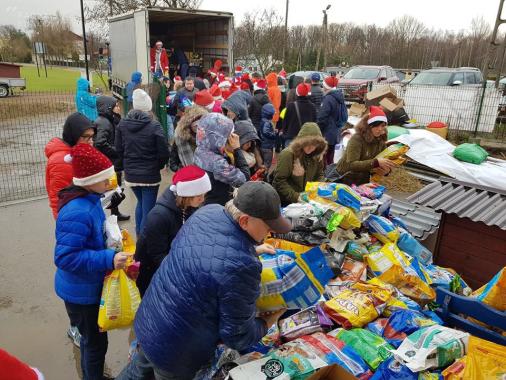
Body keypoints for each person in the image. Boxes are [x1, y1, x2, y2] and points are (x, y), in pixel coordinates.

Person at [116, 181, 291, 380]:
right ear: (244, 221)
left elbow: (206, 253)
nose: (269, 233)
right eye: (268, 226)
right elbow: (237, 336)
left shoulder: (209, 212)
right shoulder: (243, 265)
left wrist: (250, 249)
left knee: (136, 372)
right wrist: (269, 320)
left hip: (151, 321)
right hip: (177, 352)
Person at [54, 143, 130, 380]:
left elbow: (88, 239)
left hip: (87, 286)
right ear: (88, 180)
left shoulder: (91, 200)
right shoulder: (79, 211)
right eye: (106, 179)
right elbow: (65, 257)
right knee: (95, 344)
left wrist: (111, 238)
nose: (111, 183)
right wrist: (108, 257)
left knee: (94, 341)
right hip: (82, 293)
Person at [135, 165, 211, 296]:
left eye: (204, 194)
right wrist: (182, 273)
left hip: (172, 264)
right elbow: (157, 255)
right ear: (186, 194)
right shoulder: (159, 216)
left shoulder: (188, 206)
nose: (202, 199)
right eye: (198, 195)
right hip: (153, 275)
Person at [115, 89, 169, 235]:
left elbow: (118, 149)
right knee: (149, 208)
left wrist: (124, 166)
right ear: (148, 107)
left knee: (141, 203)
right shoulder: (155, 126)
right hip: (150, 174)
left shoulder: (122, 124)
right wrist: (159, 165)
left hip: (131, 174)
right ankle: (145, 240)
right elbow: (163, 151)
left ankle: (139, 233)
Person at [193, 113, 250, 206]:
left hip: (207, 202)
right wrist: (237, 149)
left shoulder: (201, 149)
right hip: (218, 205)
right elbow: (244, 178)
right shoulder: (217, 163)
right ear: (217, 137)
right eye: (228, 135)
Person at [336, 106, 396, 186]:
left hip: (363, 177)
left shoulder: (380, 141)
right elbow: (351, 164)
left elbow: (382, 162)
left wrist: (386, 171)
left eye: (382, 126)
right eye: (376, 126)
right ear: (369, 126)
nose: (380, 129)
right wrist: (376, 162)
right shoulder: (357, 139)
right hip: (345, 176)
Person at [272, 122, 327, 206]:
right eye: (307, 143)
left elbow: (319, 174)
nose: (311, 148)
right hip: (286, 202)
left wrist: (318, 188)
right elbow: (279, 181)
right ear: (301, 142)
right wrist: (296, 197)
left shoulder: (317, 156)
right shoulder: (288, 155)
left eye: (315, 144)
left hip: (307, 201)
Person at [94, 96, 130, 221]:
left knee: (115, 189)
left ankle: (115, 213)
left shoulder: (110, 120)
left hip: (113, 162)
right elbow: (100, 143)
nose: (119, 108)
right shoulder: (104, 122)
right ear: (109, 108)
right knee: (110, 191)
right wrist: (116, 151)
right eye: (116, 106)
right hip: (109, 163)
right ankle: (108, 216)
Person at [317, 76, 348, 166]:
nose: (322, 88)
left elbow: (322, 117)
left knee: (323, 157)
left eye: (323, 86)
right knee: (330, 157)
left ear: (326, 87)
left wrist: (317, 129)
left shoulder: (328, 99)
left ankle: (324, 175)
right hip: (336, 132)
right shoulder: (339, 97)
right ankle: (329, 173)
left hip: (327, 133)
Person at [169, 105, 208, 172]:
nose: (199, 127)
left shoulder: (210, 138)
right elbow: (173, 161)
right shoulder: (180, 138)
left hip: (207, 177)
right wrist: (181, 171)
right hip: (188, 177)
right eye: (196, 124)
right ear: (189, 124)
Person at [260, 103, 277, 170]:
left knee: (264, 163)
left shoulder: (263, 120)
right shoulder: (267, 122)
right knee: (267, 164)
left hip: (264, 145)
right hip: (267, 146)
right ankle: (264, 177)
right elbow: (266, 132)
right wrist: (274, 134)